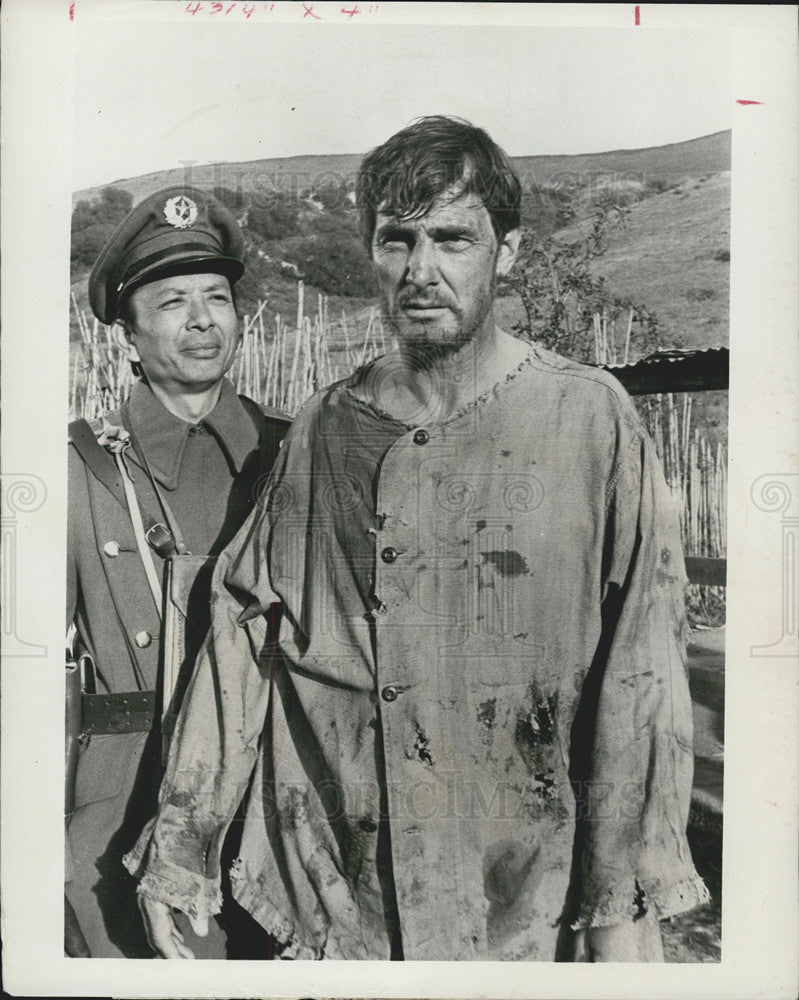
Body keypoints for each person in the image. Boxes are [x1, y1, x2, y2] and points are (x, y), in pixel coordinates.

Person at [126, 118, 709, 961]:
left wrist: (619, 906)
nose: (421, 270)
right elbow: (239, 631)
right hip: (338, 901)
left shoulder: (587, 418)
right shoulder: (326, 427)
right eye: (396, 241)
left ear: (504, 251)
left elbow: (641, 672)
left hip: (520, 902)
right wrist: (181, 848)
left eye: (451, 238)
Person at [66, 186, 289, 957]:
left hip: (273, 804)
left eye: (217, 298)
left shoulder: (293, 460)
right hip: (120, 807)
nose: (201, 319)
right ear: (127, 336)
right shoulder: (79, 472)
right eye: (171, 302)